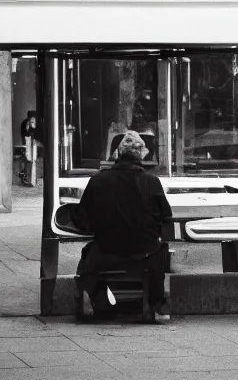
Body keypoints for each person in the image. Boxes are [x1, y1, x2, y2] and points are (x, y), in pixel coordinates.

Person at [74, 131, 172, 323]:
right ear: (142, 155)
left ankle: (103, 302)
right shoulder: (152, 182)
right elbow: (166, 217)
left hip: (106, 252)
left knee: (86, 263)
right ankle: (155, 302)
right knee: (160, 252)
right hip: (144, 254)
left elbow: (81, 219)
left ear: (118, 154)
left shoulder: (98, 181)